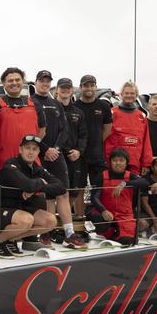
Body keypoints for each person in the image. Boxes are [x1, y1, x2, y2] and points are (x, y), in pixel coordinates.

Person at [0, 135, 65, 256]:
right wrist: (41, 182)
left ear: (38, 152)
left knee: (50, 221)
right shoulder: (10, 165)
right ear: (20, 149)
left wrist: (36, 188)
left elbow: (61, 187)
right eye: (27, 148)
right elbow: (27, 185)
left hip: (19, 210)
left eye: (34, 149)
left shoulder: (37, 169)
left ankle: (9, 239)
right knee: (27, 220)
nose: (31, 152)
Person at [31, 70, 85, 249]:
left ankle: (69, 233)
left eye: (48, 81)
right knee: (46, 194)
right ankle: (45, 232)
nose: (45, 84)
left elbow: (65, 130)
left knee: (63, 192)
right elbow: (32, 130)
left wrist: (56, 149)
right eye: (42, 81)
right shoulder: (31, 102)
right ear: (36, 82)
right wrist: (45, 149)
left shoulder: (56, 104)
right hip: (38, 153)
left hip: (56, 153)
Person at [88, 147, 149, 246]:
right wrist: (103, 210)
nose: (118, 163)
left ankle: (116, 234)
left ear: (126, 163)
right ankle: (110, 233)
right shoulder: (102, 176)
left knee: (128, 241)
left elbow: (145, 183)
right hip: (106, 214)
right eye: (115, 160)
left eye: (121, 160)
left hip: (125, 215)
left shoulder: (131, 176)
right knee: (98, 220)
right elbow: (94, 197)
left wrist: (124, 183)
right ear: (110, 162)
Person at [0, 67, 46, 170]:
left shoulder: (34, 104)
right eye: (10, 80)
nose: (14, 83)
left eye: (17, 80)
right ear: (4, 84)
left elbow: (42, 130)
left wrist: (32, 146)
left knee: (33, 185)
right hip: (4, 158)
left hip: (30, 159)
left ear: (23, 82)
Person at [55, 77, 88, 218]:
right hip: (55, 156)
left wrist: (79, 151)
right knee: (55, 191)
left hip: (74, 156)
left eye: (68, 88)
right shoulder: (51, 109)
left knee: (74, 190)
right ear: (57, 90)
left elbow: (83, 135)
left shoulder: (78, 112)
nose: (65, 90)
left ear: (72, 90)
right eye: (62, 87)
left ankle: (64, 221)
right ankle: (54, 221)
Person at [104, 81, 153, 175]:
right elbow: (103, 137)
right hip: (114, 163)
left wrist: (146, 163)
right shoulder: (112, 113)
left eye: (132, 93)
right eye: (126, 93)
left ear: (136, 95)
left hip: (134, 164)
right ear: (121, 94)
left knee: (132, 189)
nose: (129, 95)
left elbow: (146, 141)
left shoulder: (142, 116)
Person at [74, 74, 113, 185]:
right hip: (79, 154)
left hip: (97, 155)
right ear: (81, 87)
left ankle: (97, 203)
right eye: (86, 85)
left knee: (99, 188)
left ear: (96, 87)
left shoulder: (104, 106)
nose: (89, 88)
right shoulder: (74, 106)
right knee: (79, 188)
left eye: (92, 85)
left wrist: (96, 141)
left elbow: (108, 129)